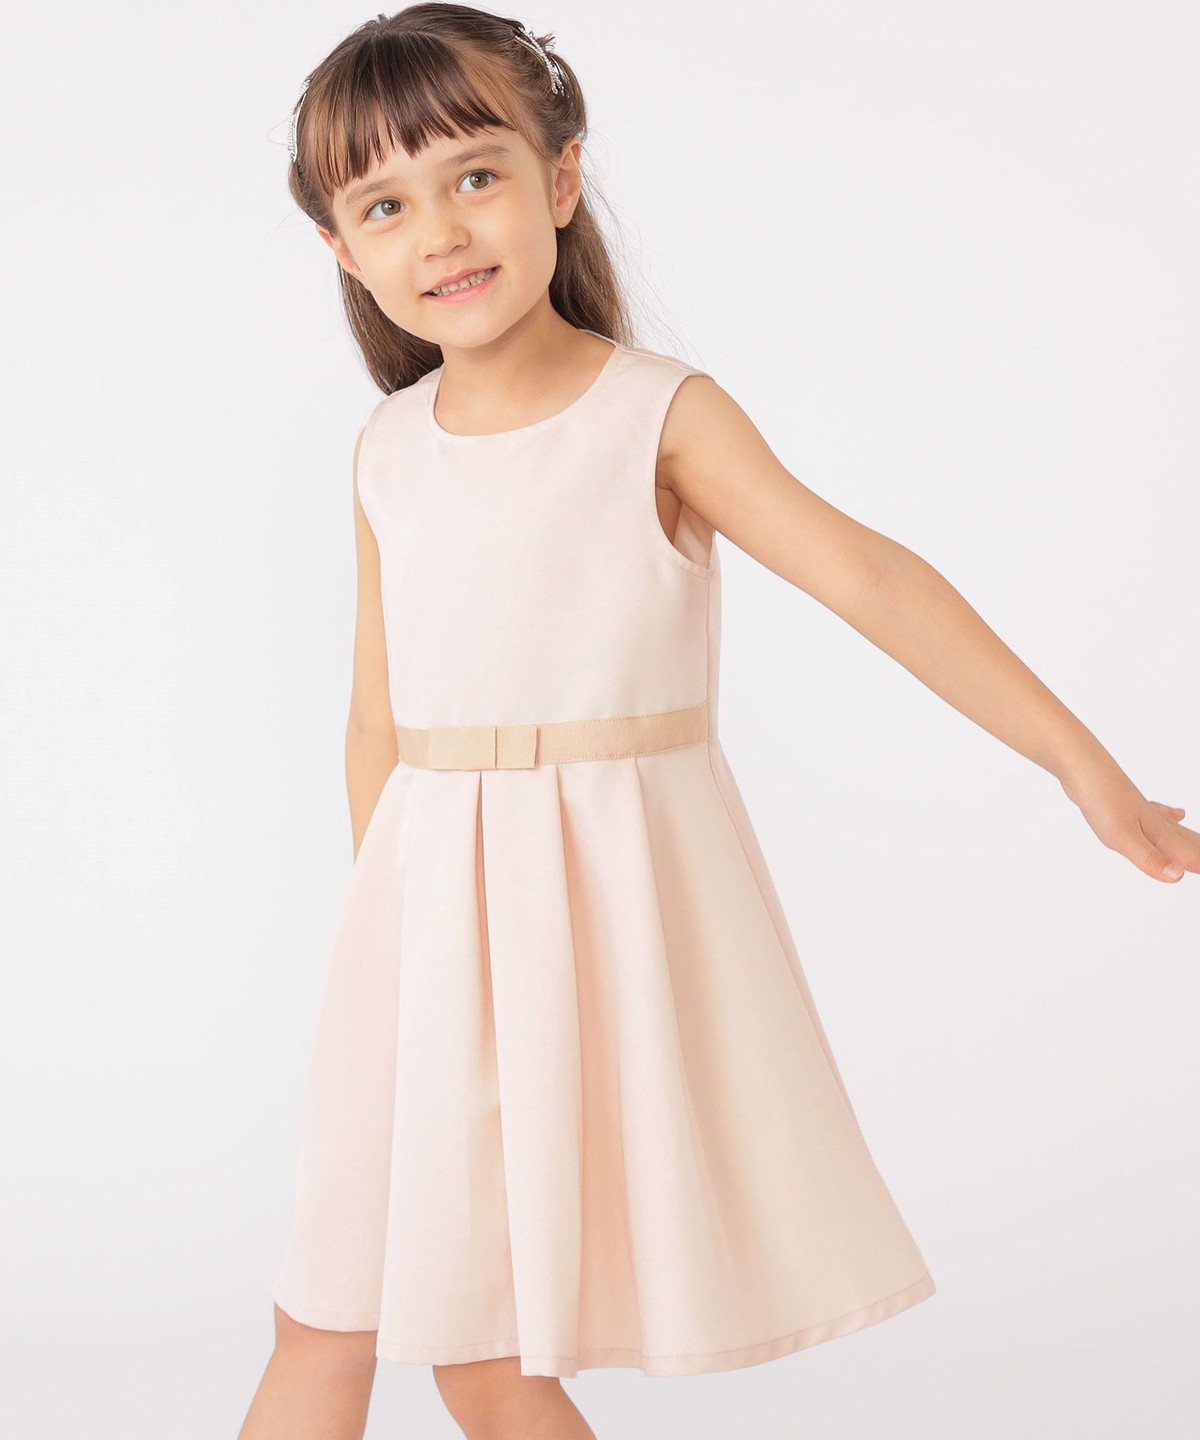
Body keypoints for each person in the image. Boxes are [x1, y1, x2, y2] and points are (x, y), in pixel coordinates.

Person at [238, 6, 1198, 1439]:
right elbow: (377, 715)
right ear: (341, 249)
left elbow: (873, 580)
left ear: (563, 178)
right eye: (386, 205)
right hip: (423, 935)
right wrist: (391, 945)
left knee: (479, 1350)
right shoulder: (388, 449)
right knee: (337, 1321)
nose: (440, 231)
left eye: (476, 176)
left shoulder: (656, 417)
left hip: (590, 925)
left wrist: (1085, 769)